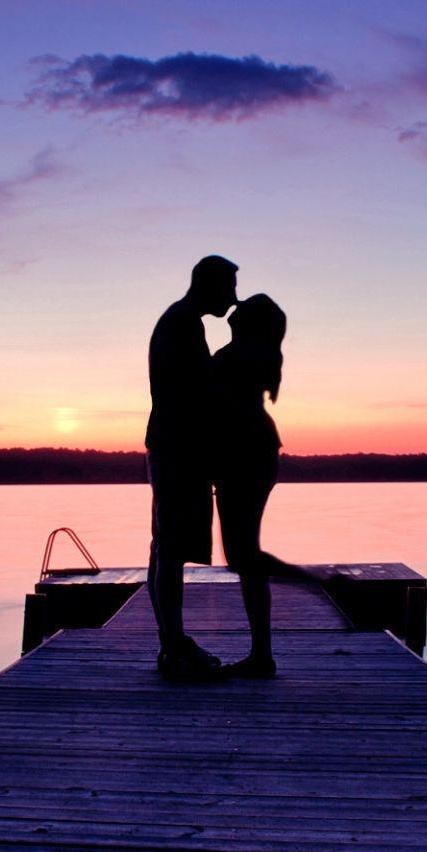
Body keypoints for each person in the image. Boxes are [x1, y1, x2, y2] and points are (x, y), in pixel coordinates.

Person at [146, 254, 236, 680]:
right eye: (229, 289)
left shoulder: (180, 320)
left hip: (173, 447)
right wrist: (228, 360)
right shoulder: (183, 323)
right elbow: (194, 391)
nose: (234, 300)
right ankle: (174, 649)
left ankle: (173, 643)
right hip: (178, 450)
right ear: (210, 284)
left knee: (166, 547)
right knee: (170, 549)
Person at [211, 292, 285, 678]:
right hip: (256, 455)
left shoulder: (238, 356)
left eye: (243, 309)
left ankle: (262, 655)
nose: (234, 308)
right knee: (243, 556)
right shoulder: (258, 355)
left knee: (244, 556)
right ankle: (262, 653)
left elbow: (211, 402)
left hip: (244, 459)